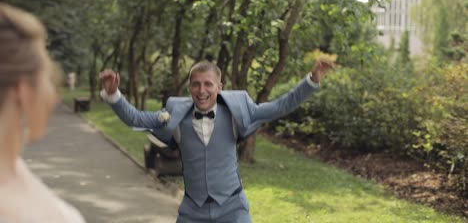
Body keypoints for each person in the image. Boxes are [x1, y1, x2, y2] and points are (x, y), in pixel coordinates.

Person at [100, 60, 333, 222]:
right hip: (193, 210)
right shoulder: (175, 117)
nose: (202, 90)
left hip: (232, 208)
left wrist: (312, 80)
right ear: (189, 87)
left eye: (208, 84)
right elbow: (136, 118)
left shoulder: (236, 113)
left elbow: (280, 106)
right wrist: (113, 94)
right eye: (196, 84)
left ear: (219, 88)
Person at [0, 3, 85, 222]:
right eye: (47, 76)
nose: (53, 93)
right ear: (24, 91)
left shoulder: (13, 168)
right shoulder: (48, 216)